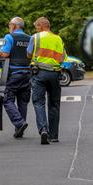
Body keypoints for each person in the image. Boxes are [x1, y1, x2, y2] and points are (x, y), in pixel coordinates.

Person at [27, 17, 67, 145]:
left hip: (39, 73)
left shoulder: (35, 37)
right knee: (54, 104)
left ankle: (43, 129)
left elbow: (28, 54)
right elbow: (63, 58)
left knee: (38, 102)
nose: (36, 29)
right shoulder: (58, 38)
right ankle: (54, 135)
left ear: (41, 25)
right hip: (55, 74)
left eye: (36, 26)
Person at [0, 17, 31, 139]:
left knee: (7, 100)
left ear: (15, 26)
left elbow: (5, 54)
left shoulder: (9, 37)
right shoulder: (29, 38)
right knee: (23, 102)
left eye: (10, 24)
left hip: (14, 73)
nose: (8, 27)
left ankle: (19, 122)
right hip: (27, 73)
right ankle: (19, 130)